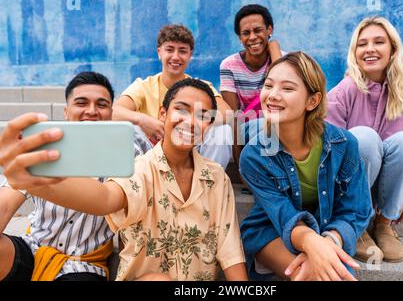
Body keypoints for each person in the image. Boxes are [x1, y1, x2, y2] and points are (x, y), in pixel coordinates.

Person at [0, 78, 248, 281]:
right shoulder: (140, 167)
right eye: (181, 109)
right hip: (41, 249)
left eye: (203, 115)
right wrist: (34, 175)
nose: (191, 121)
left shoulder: (216, 178)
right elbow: (106, 197)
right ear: (162, 114)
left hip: (86, 266)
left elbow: (230, 249)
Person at [0, 71, 151, 281]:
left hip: (85, 264)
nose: (91, 111)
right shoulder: (42, 148)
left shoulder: (129, 154)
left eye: (101, 104)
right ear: (66, 111)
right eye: (81, 103)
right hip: (33, 248)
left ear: (111, 112)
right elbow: (6, 204)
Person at [239, 52, 373, 281]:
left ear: (313, 101)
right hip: (271, 229)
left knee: (332, 276)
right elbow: (282, 214)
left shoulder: (344, 144)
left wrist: (328, 241)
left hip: (327, 228)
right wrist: (311, 242)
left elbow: (356, 210)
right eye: (268, 85)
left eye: (287, 89)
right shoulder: (254, 156)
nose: (272, 95)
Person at [326, 16, 403, 263]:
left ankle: (384, 223)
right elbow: (331, 154)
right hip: (351, 187)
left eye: (379, 42)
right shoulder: (344, 91)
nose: (370, 49)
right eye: (362, 44)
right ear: (355, 52)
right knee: (363, 138)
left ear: (393, 49)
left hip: (389, 189)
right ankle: (357, 223)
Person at [113, 24, 232, 169]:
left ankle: (207, 183)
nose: (175, 57)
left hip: (190, 153)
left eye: (182, 51)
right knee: (129, 130)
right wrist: (143, 120)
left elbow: (228, 114)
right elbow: (114, 112)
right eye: (169, 50)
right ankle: (133, 187)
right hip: (153, 157)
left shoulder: (201, 88)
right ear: (159, 52)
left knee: (222, 130)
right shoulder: (143, 86)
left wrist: (187, 125)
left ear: (190, 55)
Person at [220, 4, 282, 194]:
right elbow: (234, 119)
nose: (252, 37)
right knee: (262, 125)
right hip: (248, 130)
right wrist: (240, 172)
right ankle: (259, 176)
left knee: (274, 123)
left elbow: (283, 91)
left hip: (280, 129)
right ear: (240, 37)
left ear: (270, 30)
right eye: (246, 33)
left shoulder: (284, 60)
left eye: (258, 30)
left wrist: (275, 52)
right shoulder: (230, 65)